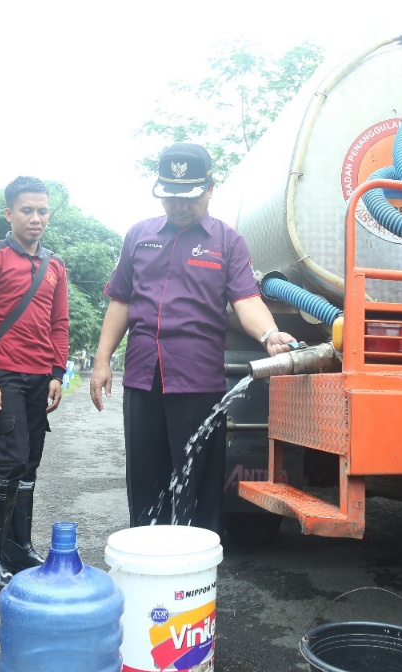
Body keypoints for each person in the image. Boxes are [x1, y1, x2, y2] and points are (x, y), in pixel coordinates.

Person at [89, 143, 296, 536]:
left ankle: (194, 566)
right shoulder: (139, 235)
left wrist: (270, 334)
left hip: (198, 379)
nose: (180, 207)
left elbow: (246, 299)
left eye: (190, 198)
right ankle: (147, 554)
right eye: (170, 197)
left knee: (197, 479)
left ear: (210, 188)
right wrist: (102, 361)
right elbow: (121, 301)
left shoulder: (228, 241)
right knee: (145, 475)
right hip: (143, 376)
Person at [0, 176, 69, 598]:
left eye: (42, 211)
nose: (35, 218)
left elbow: (59, 324)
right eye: (26, 210)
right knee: (8, 464)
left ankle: (18, 548)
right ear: (9, 213)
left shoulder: (56, 265)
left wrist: (57, 374)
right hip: (3, 375)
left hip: (38, 377)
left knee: (29, 465)